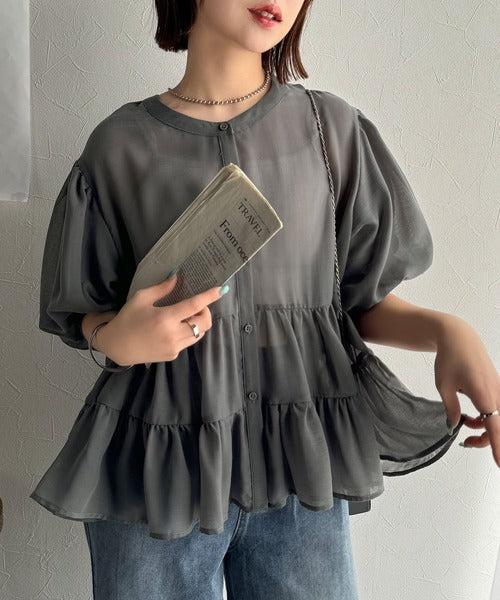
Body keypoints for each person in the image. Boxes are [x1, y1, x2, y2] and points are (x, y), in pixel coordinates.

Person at [29, 1, 500, 599]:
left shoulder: (331, 133)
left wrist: (447, 332)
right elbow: (83, 309)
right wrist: (115, 336)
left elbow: (348, 303)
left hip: (300, 472)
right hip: (157, 475)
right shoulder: (119, 146)